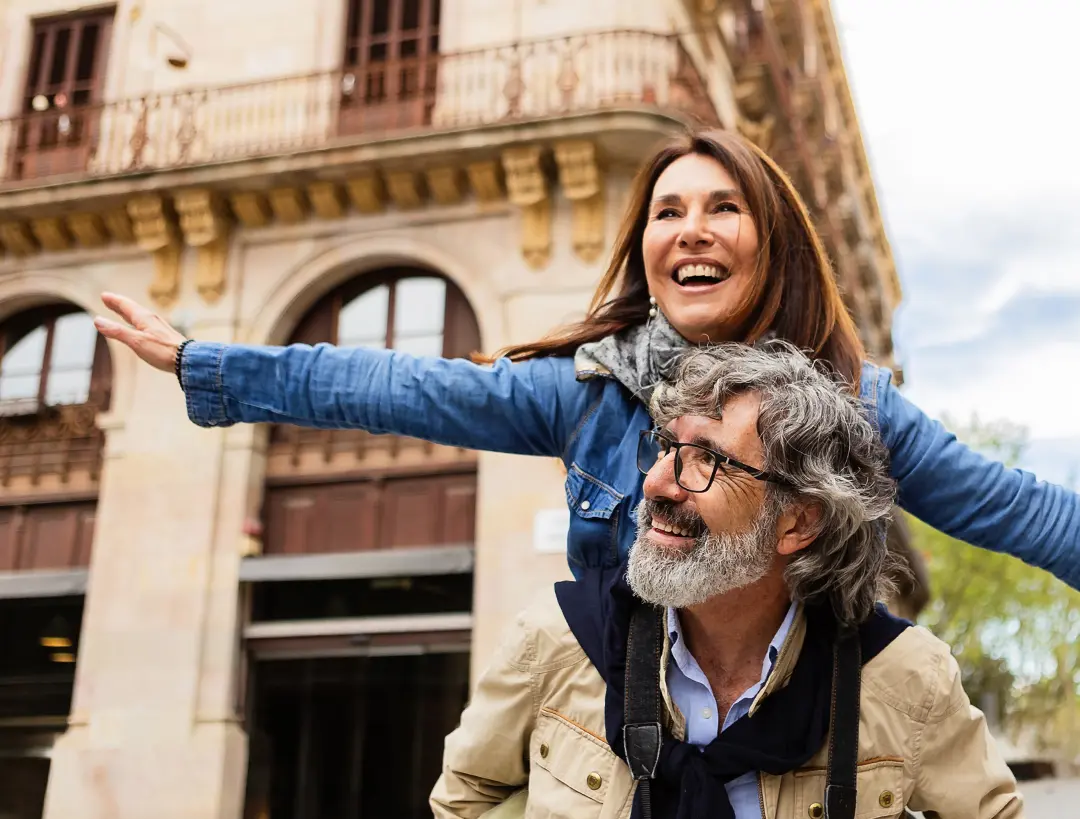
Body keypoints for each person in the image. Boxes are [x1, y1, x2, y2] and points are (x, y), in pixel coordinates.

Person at [93, 128, 1080, 591]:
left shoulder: (851, 410)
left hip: (805, 753)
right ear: (648, 255)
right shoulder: (585, 392)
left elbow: (1021, 512)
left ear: (772, 243)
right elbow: (393, 385)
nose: (691, 230)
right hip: (629, 736)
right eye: (667, 212)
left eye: (723, 207)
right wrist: (205, 365)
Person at [427, 342, 1024, 819]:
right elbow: (470, 803)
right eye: (665, 448)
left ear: (797, 523)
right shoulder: (559, 638)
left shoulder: (903, 677)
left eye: (707, 461)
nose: (657, 483)